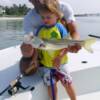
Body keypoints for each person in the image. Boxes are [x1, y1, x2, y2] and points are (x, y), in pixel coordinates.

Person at [20, 0, 81, 99]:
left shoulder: (60, 26)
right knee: (50, 86)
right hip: (47, 64)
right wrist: (34, 58)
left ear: (57, 16)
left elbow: (67, 41)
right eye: (43, 17)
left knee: (67, 83)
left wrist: (61, 56)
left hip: (61, 62)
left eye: (48, 17)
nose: (45, 20)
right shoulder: (39, 28)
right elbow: (36, 47)